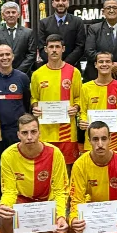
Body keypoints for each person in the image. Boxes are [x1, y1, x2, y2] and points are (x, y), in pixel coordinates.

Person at [0, 115, 69, 233]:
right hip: (22, 203)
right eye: (25, 133)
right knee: (4, 216)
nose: (29, 137)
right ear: (18, 135)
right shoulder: (8, 155)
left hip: (45, 205)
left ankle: (35, 232)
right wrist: (3, 205)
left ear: (39, 133)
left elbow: (60, 190)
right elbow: (9, 190)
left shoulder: (54, 153)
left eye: (33, 132)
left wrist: (60, 215)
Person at [0, 44, 30, 209]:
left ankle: (21, 207)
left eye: (7, 54)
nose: (4, 58)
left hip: (16, 133)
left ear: (13, 56)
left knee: (19, 169)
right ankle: (2, 206)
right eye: (0, 55)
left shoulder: (22, 78)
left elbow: (27, 104)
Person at [30, 34, 82, 167]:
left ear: (63, 49)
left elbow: (79, 97)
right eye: (51, 47)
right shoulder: (37, 74)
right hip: (45, 131)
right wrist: (35, 107)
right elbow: (34, 97)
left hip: (67, 131)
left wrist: (75, 108)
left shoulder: (73, 72)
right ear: (45, 49)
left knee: (68, 167)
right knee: (46, 168)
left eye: (57, 47)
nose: (54, 50)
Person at [78, 52, 117, 153]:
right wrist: (83, 122)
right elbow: (83, 112)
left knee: (115, 168)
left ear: (112, 64)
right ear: (95, 65)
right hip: (91, 141)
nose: (104, 64)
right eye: (101, 62)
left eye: (107, 61)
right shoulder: (85, 87)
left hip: (114, 140)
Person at [37, 0, 85, 66]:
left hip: (72, 66)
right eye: (57, 0)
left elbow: (80, 46)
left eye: (63, 0)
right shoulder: (44, 23)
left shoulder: (77, 21)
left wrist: (64, 64)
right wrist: (53, 63)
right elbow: (42, 47)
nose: (60, 3)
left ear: (68, 2)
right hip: (50, 67)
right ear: (53, 3)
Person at [0, 1, 37, 74]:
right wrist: (5, 69)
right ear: (3, 15)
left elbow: (32, 54)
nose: (11, 15)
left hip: (23, 74)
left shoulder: (28, 32)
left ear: (18, 15)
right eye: (8, 12)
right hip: (2, 74)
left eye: (13, 12)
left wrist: (18, 72)